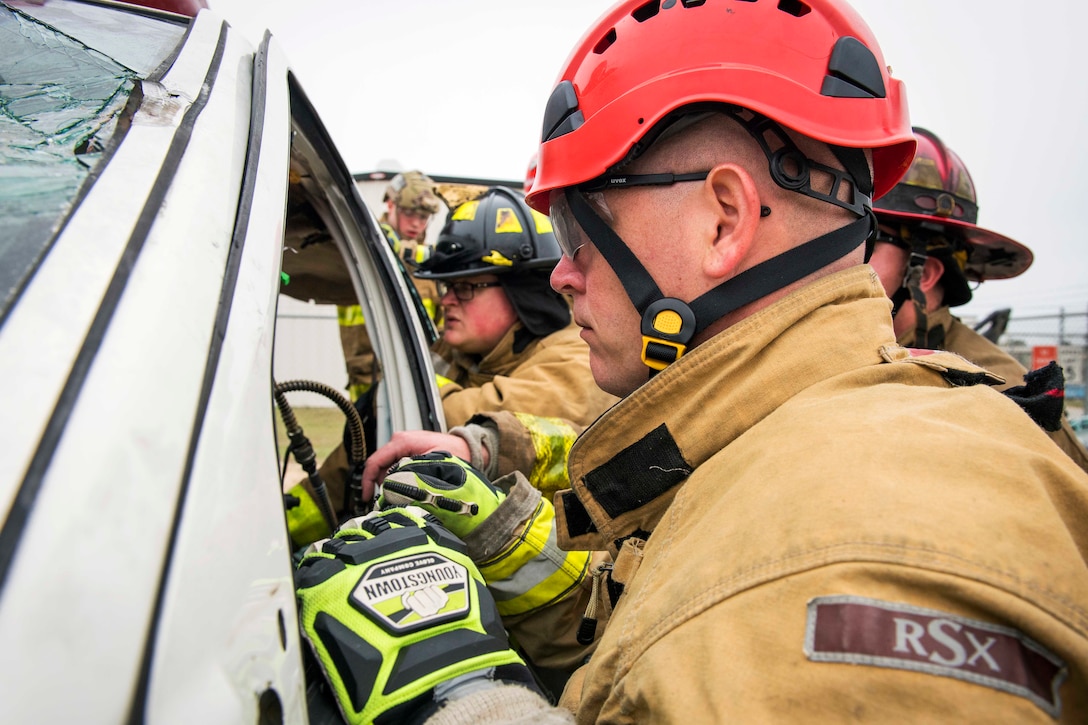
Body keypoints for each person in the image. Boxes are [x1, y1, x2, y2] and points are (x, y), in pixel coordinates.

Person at [297, 1, 1088, 722]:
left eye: (578, 228)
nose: (563, 272)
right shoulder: (760, 449)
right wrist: (508, 541)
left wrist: (459, 697)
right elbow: (656, 631)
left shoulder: (868, 537)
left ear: (722, 221)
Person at [288, 186, 617, 544]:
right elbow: (344, 471)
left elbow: (465, 414)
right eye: (446, 286)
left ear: (521, 290)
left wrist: (401, 382)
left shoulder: (574, 356)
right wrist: (283, 530)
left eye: (465, 286)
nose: (447, 300)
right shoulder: (463, 352)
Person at [867, 127, 1088, 471]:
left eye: (868, 240)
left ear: (923, 273)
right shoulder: (849, 349)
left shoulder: (1002, 396)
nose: (845, 259)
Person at [337, 170, 443, 401]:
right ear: (390, 205)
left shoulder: (429, 266)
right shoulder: (364, 248)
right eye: (409, 213)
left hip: (421, 384)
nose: (416, 223)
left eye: (424, 216)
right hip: (369, 381)